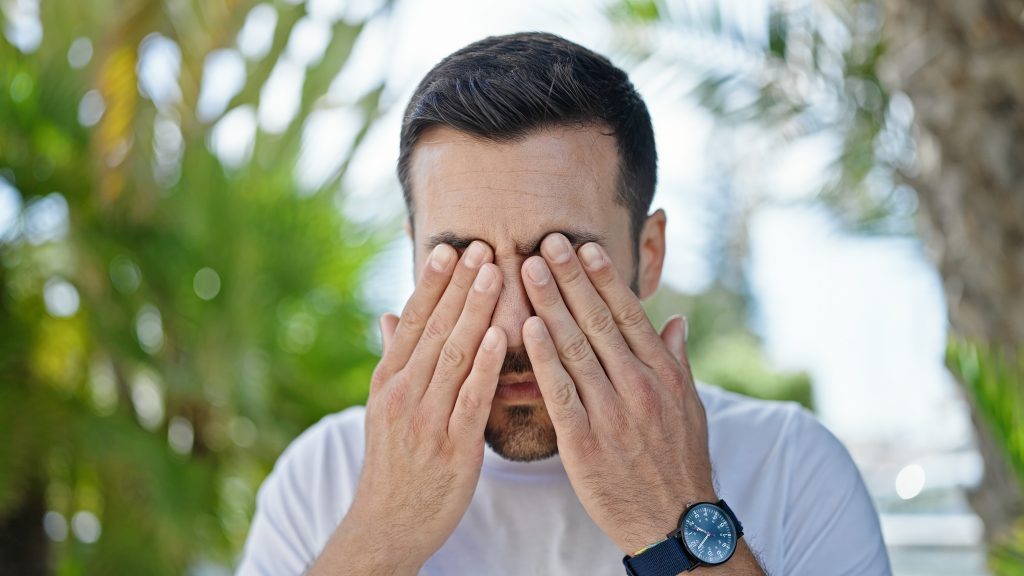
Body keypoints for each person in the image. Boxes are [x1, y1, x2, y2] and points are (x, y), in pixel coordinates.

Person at [237, 32, 891, 575]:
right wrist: (384, 534)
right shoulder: (321, 478)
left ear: (650, 251)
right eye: (464, 262)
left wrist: (674, 521)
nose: (515, 320)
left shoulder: (791, 465)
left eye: (560, 259)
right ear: (415, 258)